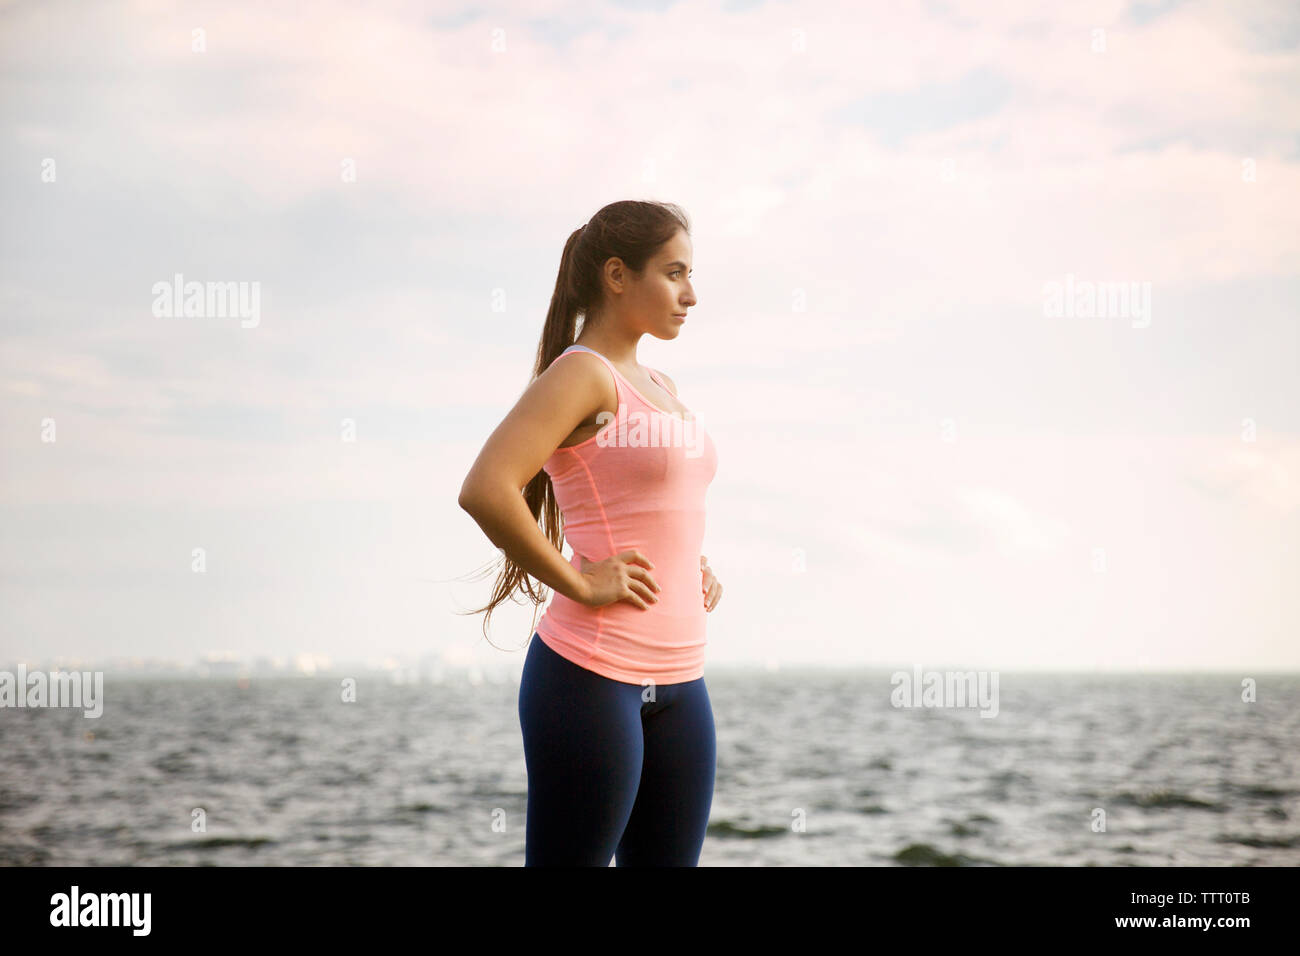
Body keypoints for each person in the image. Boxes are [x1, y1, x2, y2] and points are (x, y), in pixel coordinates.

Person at [457, 199, 723, 866]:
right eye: (674, 273)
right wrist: (579, 580)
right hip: (590, 679)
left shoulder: (659, 382)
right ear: (616, 274)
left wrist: (691, 560)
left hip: (682, 682)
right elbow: (486, 488)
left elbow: (651, 498)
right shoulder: (582, 374)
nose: (690, 295)